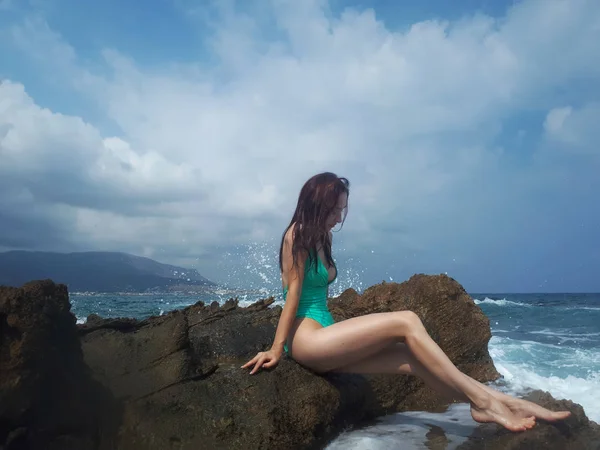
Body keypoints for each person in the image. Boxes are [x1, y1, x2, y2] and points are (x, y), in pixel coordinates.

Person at [242, 172, 571, 432]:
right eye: (335, 209)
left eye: (342, 209)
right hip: (306, 340)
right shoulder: (296, 235)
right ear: (318, 204)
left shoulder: (322, 237)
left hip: (325, 336)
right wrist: (275, 348)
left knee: (414, 359)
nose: (340, 217)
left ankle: (507, 403)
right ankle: (484, 404)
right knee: (407, 320)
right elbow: (293, 296)